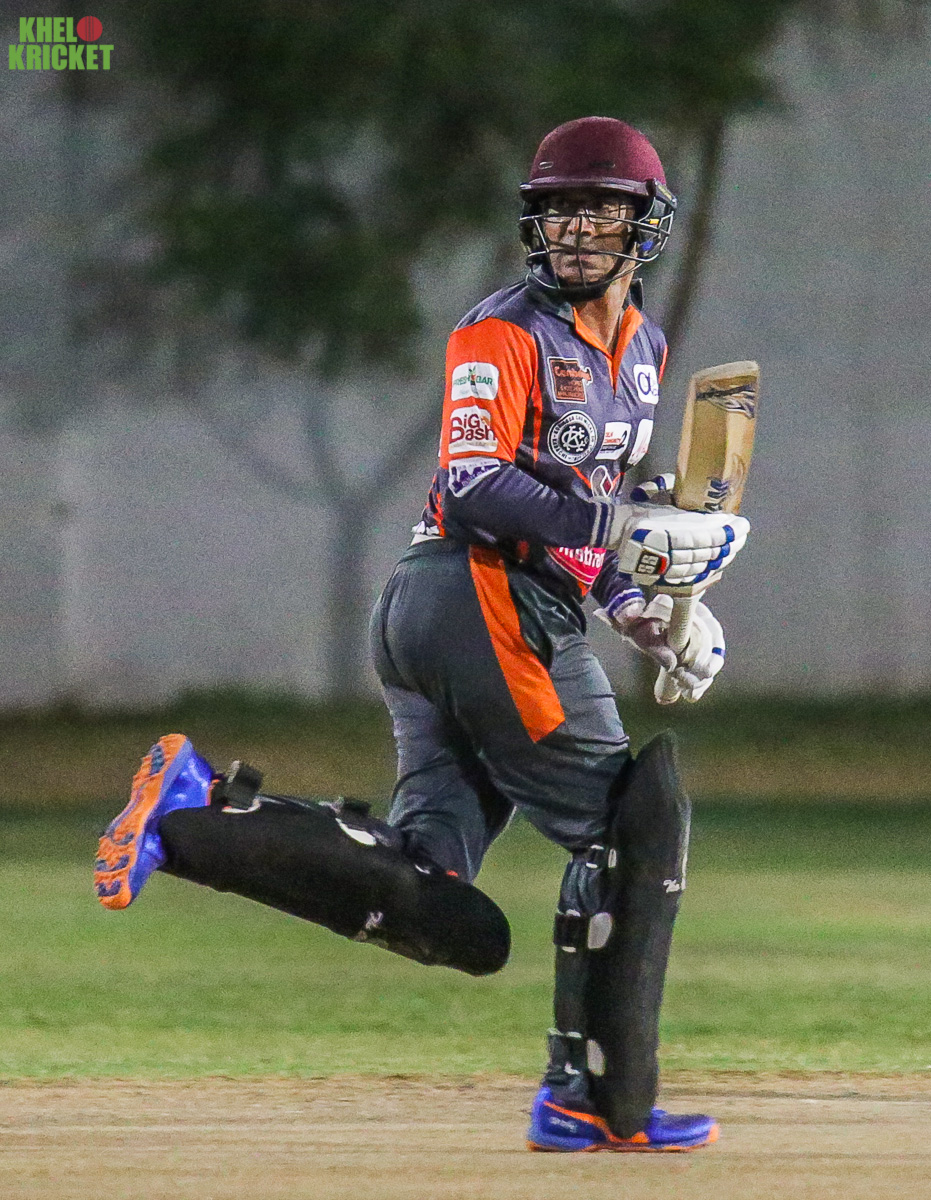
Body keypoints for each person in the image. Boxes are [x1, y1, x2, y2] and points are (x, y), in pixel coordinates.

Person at [94, 116, 749, 1153]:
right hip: (478, 597)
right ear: (534, 223)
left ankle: (194, 817)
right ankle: (595, 1099)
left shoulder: (643, 349)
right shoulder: (502, 331)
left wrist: (637, 606)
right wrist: (619, 527)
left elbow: (581, 510)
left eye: (602, 210)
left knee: (437, 898)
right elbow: (476, 483)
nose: (580, 230)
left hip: (473, 609)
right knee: (634, 826)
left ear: (644, 226)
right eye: (561, 211)